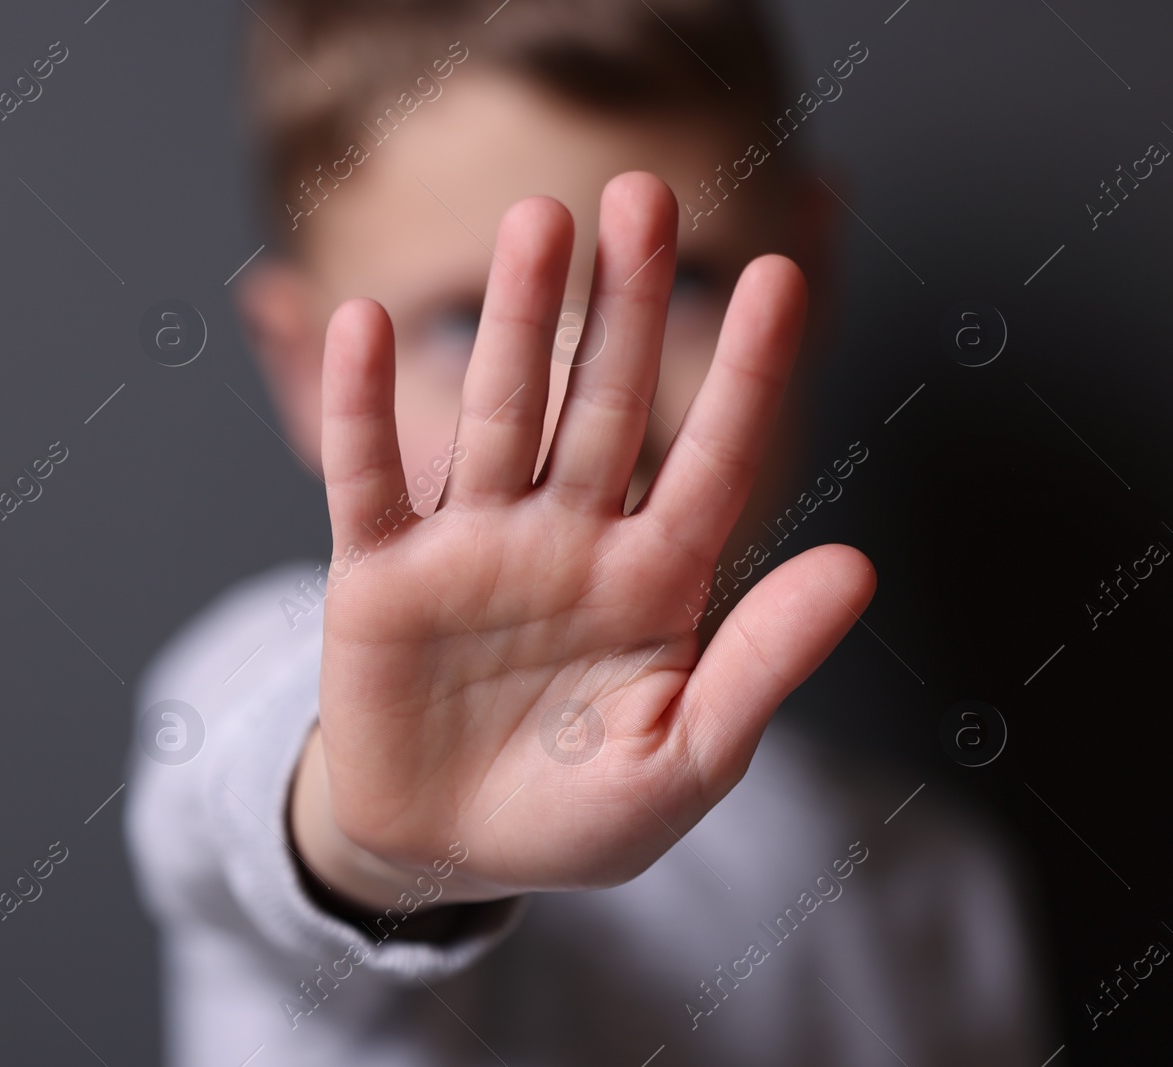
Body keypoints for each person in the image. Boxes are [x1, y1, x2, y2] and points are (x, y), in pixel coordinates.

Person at [126, 1, 1055, 1062]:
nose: (578, 400)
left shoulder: (931, 880)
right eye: (466, 319)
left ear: (814, 271)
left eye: (685, 283)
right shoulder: (270, 677)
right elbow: (240, 807)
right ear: (299, 365)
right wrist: (380, 835)